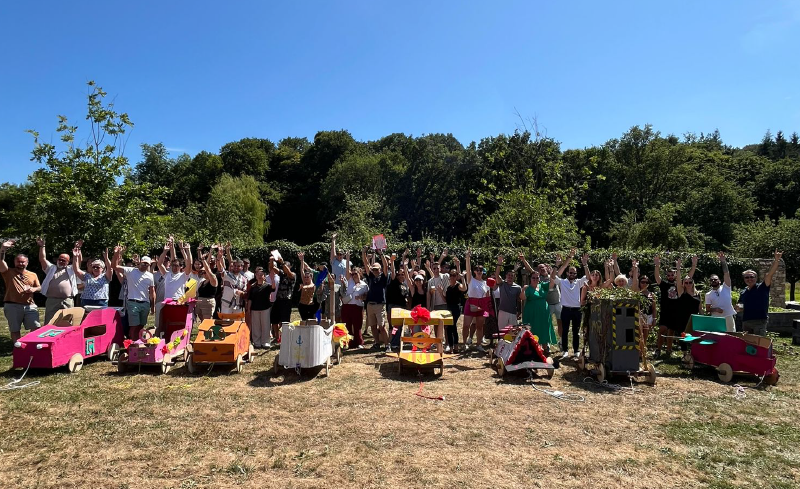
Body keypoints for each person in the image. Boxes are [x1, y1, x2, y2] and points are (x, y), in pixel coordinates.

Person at [654, 254, 697, 357]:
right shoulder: (664, 284)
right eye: (668, 275)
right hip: (665, 311)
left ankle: (669, 350)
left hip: (676, 312)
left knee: (671, 332)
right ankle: (658, 349)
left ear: (675, 275)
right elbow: (657, 277)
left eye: (672, 274)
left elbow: (689, 277)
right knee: (662, 330)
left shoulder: (680, 284)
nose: (670, 276)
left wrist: (693, 265)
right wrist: (657, 266)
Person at [1, 239, 42, 341]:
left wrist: (33, 289)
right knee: (15, 330)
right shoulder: (8, 272)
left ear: (27, 263)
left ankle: (31, 346)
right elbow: (1, 261)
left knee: (36, 327)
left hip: (30, 305)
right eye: (18, 261)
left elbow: (40, 287)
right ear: (15, 262)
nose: (20, 263)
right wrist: (3, 249)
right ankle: (18, 347)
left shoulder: (33, 274)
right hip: (12, 305)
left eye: (23, 262)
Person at [554, 249, 591, 359]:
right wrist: (561, 263)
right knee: (565, 331)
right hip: (565, 309)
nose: (572, 274)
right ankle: (565, 350)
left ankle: (576, 351)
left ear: (576, 274)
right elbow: (554, 276)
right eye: (570, 272)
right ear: (567, 273)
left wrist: (585, 264)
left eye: (574, 273)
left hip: (577, 310)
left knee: (576, 331)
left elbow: (588, 277)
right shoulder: (562, 282)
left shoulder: (579, 282)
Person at [738, 250, 782, 336]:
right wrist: (738, 307)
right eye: (747, 277)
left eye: (751, 277)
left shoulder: (762, 287)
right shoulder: (743, 291)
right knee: (748, 343)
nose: (749, 279)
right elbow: (740, 304)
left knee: (759, 342)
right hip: (746, 322)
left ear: (756, 278)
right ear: (744, 279)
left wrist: (776, 260)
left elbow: (769, 274)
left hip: (759, 322)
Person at [114, 249, 156, 340]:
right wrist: (116, 254)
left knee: (141, 325)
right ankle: (132, 343)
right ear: (140, 262)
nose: (145, 265)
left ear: (149, 265)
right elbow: (114, 266)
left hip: (145, 303)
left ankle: (138, 342)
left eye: (147, 264)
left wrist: (153, 306)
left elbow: (152, 291)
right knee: (134, 326)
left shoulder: (150, 276)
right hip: (133, 302)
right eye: (143, 263)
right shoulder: (130, 271)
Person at [36, 236, 79, 325]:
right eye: (60, 259)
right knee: (49, 322)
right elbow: (42, 259)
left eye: (64, 260)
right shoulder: (51, 268)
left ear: (68, 262)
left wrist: (77, 252)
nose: (61, 261)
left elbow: (78, 262)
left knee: (67, 323)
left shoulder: (71, 269)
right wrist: (42, 246)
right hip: (52, 300)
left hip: (67, 300)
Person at [522, 265, 557, 354]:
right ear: (530, 279)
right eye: (533, 278)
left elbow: (552, 284)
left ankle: (545, 347)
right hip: (532, 313)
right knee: (534, 328)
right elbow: (522, 298)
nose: (535, 279)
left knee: (544, 328)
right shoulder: (528, 288)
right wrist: (523, 290)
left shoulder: (542, 285)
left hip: (543, 312)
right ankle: (533, 348)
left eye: (537, 278)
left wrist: (551, 273)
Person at [463, 248, 492, 354]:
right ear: (475, 271)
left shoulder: (485, 283)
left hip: (481, 305)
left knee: (480, 326)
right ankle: (465, 344)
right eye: (477, 270)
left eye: (481, 270)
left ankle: (478, 344)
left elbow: (487, 296)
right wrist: (468, 258)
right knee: (466, 325)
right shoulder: (471, 279)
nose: (479, 271)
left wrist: (487, 308)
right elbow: (468, 269)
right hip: (471, 303)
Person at [362, 246, 389, 351]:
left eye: (376, 269)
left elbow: (386, 265)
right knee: (373, 326)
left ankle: (387, 345)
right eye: (373, 269)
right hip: (370, 304)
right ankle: (377, 343)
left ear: (380, 270)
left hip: (380, 304)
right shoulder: (371, 276)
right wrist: (364, 252)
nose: (374, 271)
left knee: (381, 326)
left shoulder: (383, 277)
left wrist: (381, 253)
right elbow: (366, 264)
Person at [705, 252, 738, 333]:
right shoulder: (708, 294)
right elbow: (707, 309)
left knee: (731, 335)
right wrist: (716, 309)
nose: (713, 281)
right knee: (718, 336)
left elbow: (726, 274)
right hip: (716, 318)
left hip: (728, 316)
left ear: (719, 281)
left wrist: (723, 261)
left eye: (715, 279)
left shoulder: (726, 287)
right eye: (711, 280)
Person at [674, 259, 702, 352]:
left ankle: (693, 354)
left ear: (693, 283)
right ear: (684, 284)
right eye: (686, 282)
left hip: (694, 319)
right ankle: (685, 355)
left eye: (690, 282)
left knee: (694, 338)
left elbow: (700, 308)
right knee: (684, 338)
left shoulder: (698, 294)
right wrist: (678, 269)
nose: (688, 284)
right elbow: (678, 281)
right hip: (683, 319)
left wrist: (702, 318)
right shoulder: (682, 292)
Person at [386, 251, 411, 350]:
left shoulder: (405, 285)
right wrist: (392, 261)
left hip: (402, 307)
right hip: (394, 307)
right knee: (395, 326)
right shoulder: (394, 282)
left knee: (400, 326)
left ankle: (397, 342)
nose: (400, 276)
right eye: (399, 274)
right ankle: (393, 343)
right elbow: (392, 271)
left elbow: (406, 296)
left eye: (402, 274)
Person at [246, 267, 274, 349]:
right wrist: (248, 309)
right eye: (258, 274)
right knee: (256, 326)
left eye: (261, 274)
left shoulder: (267, 286)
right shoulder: (253, 287)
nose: (259, 276)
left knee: (265, 325)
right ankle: (256, 342)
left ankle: (265, 342)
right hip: (255, 309)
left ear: (264, 276)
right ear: (255, 276)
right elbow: (250, 299)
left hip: (265, 308)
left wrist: (272, 279)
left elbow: (273, 288)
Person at [342, 264, 368, 349]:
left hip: (357, 307)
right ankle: (348, 343)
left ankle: (359, 342)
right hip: (347, 306)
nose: (354, 275)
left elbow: (366, 296)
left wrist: (361, 297)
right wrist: (347, 259)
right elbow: (347, 270)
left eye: (355, 274)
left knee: (357, 326)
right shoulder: (349, 281)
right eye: (352, 274)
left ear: (360, 273)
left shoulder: (364, 285)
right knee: (347, 325)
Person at [271, 255, 296, 342]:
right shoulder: (282, 274)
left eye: (286, 266)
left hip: (286, 301)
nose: (284, 268)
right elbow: (273, 268)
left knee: (285, 321)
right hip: (278, 299)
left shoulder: (293, 275)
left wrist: (282, 262)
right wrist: (271, 260)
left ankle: (284, 338)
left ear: (289, 267)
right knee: (274, 319)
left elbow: (289, 273)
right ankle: (277, 337)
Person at [216, 247, 248, 315]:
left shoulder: (244, 279)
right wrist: (218, 259)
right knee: (225, 321)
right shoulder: (227, 275)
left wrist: (241, 293)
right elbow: (220, 268)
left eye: (238, 266)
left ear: (242, 267)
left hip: (238, 305)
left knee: (237, 321)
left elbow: (245, 292)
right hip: (226, 304)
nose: (236, 267)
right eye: (235, 266)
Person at [444, 257, 467, 353]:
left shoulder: (458, 285)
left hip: (456, 308)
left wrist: (463, 278)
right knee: (449, 327)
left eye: (454, 275)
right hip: (449, 308)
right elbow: (446, 299)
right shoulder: (448, 287)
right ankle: (451, 346)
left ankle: (456, 346)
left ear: (456, 276)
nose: (452, 277)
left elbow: (464, 288)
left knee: (452, 326)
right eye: (451, 275)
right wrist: (441, 292)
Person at [495, 255, 523, 329]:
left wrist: (519, 312)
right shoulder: (502, 284)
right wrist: (499, 263)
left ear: (514, 277)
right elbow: (497, 275)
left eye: (512, 276)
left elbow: (519, 300)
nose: (510, 277)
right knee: (502, 331)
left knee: (512, 331)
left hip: (513, 312)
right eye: (509, 275)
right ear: (506, 276)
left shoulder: (518, 287)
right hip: (502, 311)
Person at [194, 246, 219, 321]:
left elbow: (207, 269)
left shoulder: (213, 279)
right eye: (202, 272)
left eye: (204, 272)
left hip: (208, 303)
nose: (203, 273)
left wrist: (203, 259)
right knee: (202, 322)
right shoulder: (203, 281)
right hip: (200, 303)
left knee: (207, 323)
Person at [297, 253, 317, 320]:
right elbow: (302, 270)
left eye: (307, 277)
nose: (306, 278)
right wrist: (302, 260)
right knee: (304, 320)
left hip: (310, 306)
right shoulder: (304, 283)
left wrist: (303, 287)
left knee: (311, 321)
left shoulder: (313, 285)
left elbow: (310, 287)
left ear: (311, 277)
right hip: (302, 305)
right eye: (305, 277)